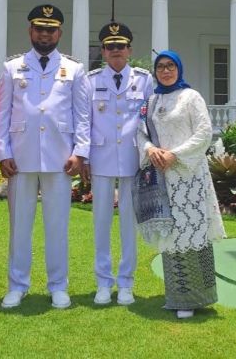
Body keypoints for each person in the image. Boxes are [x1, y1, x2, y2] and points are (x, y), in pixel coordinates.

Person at [0, 4, 90, 310]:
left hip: (60, 157)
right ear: (30, 31)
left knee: (57, 227)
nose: (45, 34)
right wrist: (3, 152)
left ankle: (58, 285)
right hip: (20, 157)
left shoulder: (74, 69)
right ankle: (17, 285)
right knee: (19, 226)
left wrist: (80, 153)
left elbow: (83, 116)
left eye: (51, 29)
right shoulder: (12, 67)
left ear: (59, 32)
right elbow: (2, 113)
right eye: (40, 28)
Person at [136, 50, 225, 319]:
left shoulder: (191, 97)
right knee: (171, 234)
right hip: (162, 176)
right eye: (160, 67)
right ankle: (178, 297)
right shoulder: (151, 101)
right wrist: (150, 149)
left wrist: (175, 153)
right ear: (155, 72)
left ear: (179, 68)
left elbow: (204, 132)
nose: (165, 71)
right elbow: (139, 133)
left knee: (192, 231)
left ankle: (199, 296)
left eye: (170, 66)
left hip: (189, 176)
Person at [84, 22, 153, 305]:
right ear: (102, 50)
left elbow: (151, 119)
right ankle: (103, 282)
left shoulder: (144, 80)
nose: (116, 51)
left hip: (132, 158)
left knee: (128, 223)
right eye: (110, 47)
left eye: (120, 46)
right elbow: (84, 121)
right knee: (100, 223)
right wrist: (84, 156)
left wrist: (150, 154)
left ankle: (126, 282)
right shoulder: (91, 81)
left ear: (129, 50)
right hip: (100, 158)